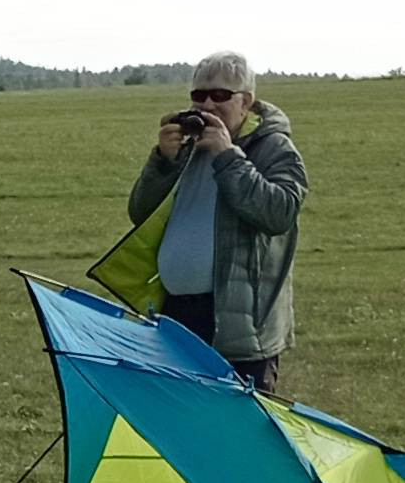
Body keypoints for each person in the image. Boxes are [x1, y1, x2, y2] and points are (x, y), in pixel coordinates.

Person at [120, 50, 309, 392]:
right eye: (199, 95)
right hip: (177, 314)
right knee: (180, 414)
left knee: (238, 421)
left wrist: (227, 157)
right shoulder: (189, 145)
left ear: (245, 102)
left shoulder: (273, 147)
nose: (207, 104)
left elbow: (279, 213)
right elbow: (140, 212)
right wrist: (162, 162)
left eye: (220, 95)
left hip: (239, 326)